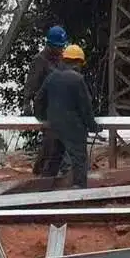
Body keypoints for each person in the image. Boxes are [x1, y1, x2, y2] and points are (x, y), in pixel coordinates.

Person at [33, 43, 99, 189]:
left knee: (54, 159)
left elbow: (38, 100)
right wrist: (93, 126)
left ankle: (43, 189)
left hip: (54, 126)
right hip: (73, 127)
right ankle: (78, 190)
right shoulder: (78, 80)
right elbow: (85, 107)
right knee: (79, 160)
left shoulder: (52, 77)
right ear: (79, 62)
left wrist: (44, 119)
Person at [22, 26, 67, 178]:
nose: (61, 50)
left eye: (62, 47)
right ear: (50, 45)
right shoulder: (40, 61)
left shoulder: (61, 60)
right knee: (51, 138)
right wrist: (26, 102)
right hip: (44, 107)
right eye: (58, 47)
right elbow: (31, 83)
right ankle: (42, 171)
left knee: (60, 138)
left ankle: (46, 168)